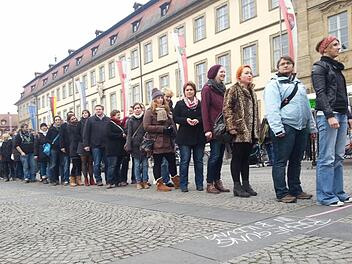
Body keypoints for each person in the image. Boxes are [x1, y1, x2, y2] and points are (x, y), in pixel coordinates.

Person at [264, 56, 316, 203]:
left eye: (288, 63)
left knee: (296, 160)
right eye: (282, 64)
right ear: (278, 68)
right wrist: (277, 129)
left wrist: (311, 127)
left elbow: (307, 107)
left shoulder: (299, 85)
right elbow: (272, 108)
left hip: (301, 126)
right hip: (285, 126)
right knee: (280, 161)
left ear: (293, 66)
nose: (286, 66)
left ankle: (296, 189)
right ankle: (281, 192)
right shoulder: (273, 85)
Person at [312, 36, 352, 206]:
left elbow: (342, 94)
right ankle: (325, 196)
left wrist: (349, 116)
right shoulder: (319, 67)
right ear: (325, 48)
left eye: (338, 44)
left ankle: (338, 192)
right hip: (329, 115)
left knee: (338, 156)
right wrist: (329, 115)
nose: (339, 47)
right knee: (326, 157)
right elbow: (320, 94)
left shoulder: (337, 68)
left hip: (341, 114)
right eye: (334, 45)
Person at [223, 65, 259, 197]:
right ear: (239, 76)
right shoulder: (233, 89)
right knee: (237, 157)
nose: (250, 75)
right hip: (239, 130)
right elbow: (227, 109)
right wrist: (231, 126)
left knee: (246, 158)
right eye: (246, 73)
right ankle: (237, 186)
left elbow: (255, 112)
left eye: (250, 73)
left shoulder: (252, 91)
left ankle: (246, 184)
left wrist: (256, 130)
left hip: (250, 130)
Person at [143, 88, 179, 191]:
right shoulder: (150, 111)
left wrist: (172, 129)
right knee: (158, 163)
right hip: (156, 142)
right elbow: (146, 126)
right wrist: (162, 129)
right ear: (154, 100)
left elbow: (171, 123)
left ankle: (176, 181)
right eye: (158, 98)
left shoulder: (167, 109)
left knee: (172, 162)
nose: (160, 100)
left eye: (161, 98)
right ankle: (160, 184)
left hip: (168, 141)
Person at [201, 64, 230, 194]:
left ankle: (218, 181)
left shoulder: (223, 89)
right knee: (214, 156)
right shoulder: (207, 89)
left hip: (223, 128)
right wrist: (207, 129)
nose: (223, 74)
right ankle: (210, 183)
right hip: (214, 128)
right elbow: (205, 110)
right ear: (214, 73)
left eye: (224, 72)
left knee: (219, 157)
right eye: (221, 72)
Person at [173, 81, 205, 192]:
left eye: (191, 89)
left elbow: (204, 116)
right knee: (184, 161)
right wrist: (186, 120)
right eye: (187, 90)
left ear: (195, 91)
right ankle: (183, 184)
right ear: (184, 92)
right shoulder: (180, 104)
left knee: (199, 161)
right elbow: (175, 118)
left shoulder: (200, 103)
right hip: (184, 136)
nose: (189, 91)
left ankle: (200, 184)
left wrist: (198, 120)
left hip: (198, 136)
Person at [83, 105, 110, 186]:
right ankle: (98, 179)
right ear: (95, 110)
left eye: (100, 109)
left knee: (107, 163)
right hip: (95, 145)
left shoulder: (108, 119)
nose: (98, 111)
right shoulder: (90, 120)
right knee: (97, 163)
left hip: (106, 145)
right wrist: (86, 145)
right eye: (97, 109)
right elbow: (86, 133)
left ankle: (108, 179)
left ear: (103, 110)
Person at [126, 103, 150, 189]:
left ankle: (145, 181)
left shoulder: (145, 118)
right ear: (133, 110)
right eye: (135, 108)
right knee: (136, 165)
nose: (137, 109)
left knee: (145, 165)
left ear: (141, 109)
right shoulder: (131, 120)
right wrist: (128, 145)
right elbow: (129, 134)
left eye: (138, 108)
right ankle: (138, 182)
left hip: (144, 145)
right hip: (135, 146)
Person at [105, 110, 125, 189]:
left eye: (119, 115)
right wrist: (120, 135)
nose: (119, 116)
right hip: (112, 148)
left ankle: (117, 180)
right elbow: (109, 134)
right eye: (117, 115)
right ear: (113, 116)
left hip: (119, 148)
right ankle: (109, 181)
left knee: (117, 165)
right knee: (112, 166)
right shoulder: (109, 124)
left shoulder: (119, 124)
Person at [77, 110, 94, 186]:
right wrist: (84, 143)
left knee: (90, 163)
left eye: (86, 113)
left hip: (91, 144)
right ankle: (86, 179)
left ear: (88, 114)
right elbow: (77, 134)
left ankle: (91, 178)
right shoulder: (80, 123)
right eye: (83, 113)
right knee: (84, 163)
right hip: (82, 145)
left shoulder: (91, 121)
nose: (84, 114)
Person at [66, 115, 83, 187]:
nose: (74, 120)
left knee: (80, 164)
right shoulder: (69, 127)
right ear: (69, 120)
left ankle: (79, 178)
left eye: (74, 118)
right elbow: (74, 136)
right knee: (75, 164)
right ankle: (72, 179)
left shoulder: (79, 125)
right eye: (72, 119)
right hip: (73, 147)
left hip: (80, 146)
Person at [46, 116, 63, 185]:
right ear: (54, 121)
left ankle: (58, 179)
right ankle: (52, 180)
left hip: (61, 149)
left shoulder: (62, 128)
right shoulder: (51, 129)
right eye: (56, 120)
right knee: (53, 164)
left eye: (59, 120)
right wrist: (53, 144)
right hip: (54, 149)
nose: (58, 121)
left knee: (59, 164)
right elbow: (47, 139)